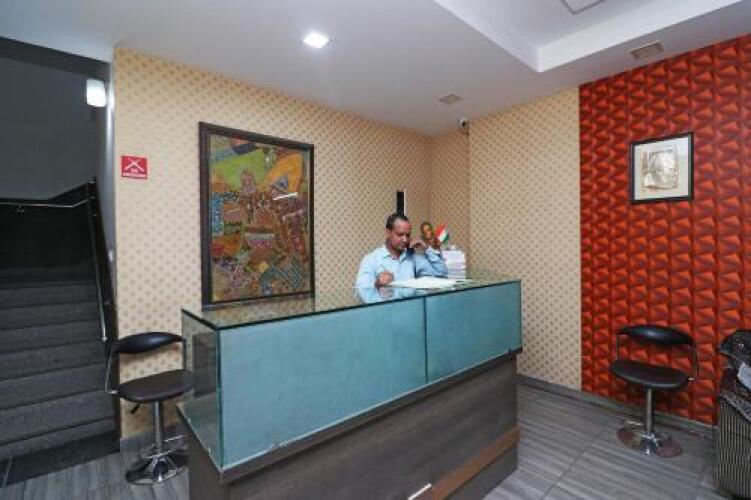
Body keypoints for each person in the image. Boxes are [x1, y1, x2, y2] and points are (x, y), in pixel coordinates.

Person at [355, 213, 448, 289]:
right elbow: (359, 293)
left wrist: (427, 248)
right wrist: (377, 283)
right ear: (388, 233)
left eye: (408, 235)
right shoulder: (371, 260)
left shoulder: (413, 257)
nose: (405, 240)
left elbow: (441, 273)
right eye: (400, 235)